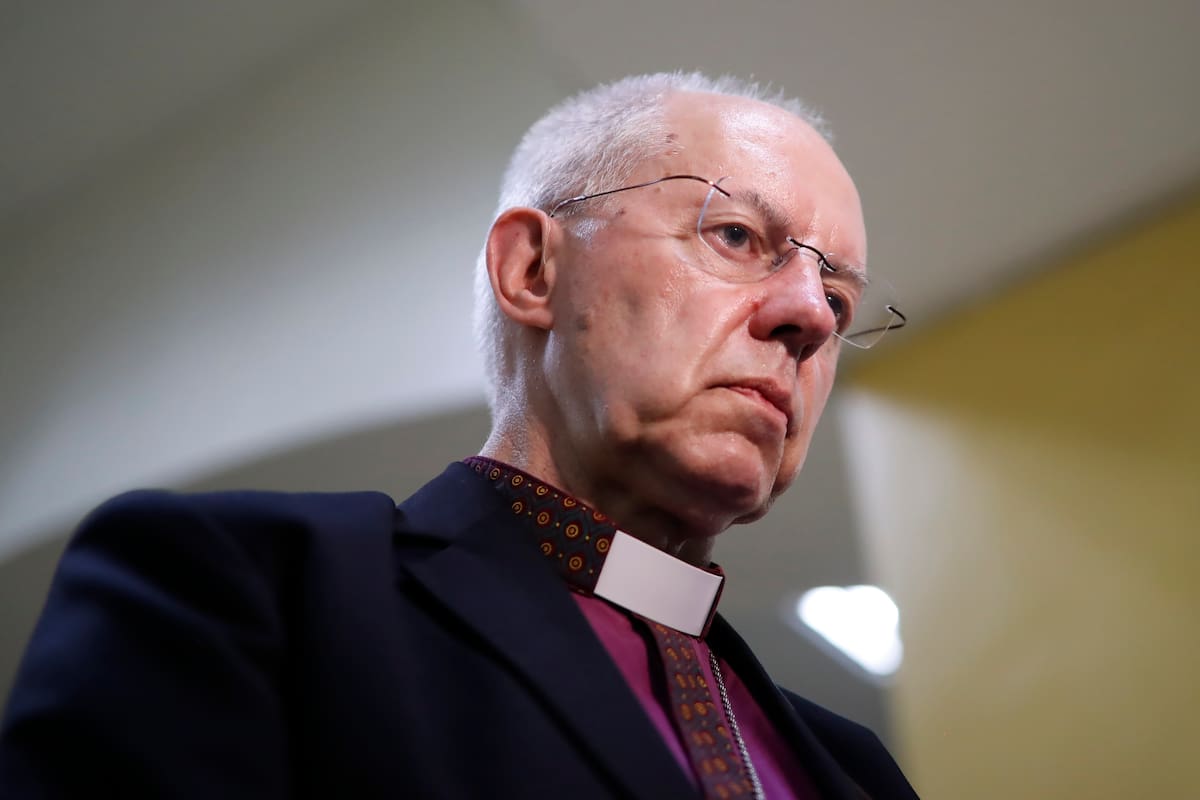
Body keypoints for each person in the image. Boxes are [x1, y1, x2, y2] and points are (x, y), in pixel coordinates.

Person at [0, 72, 915, 799]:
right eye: (737, 235)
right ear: (532, 268)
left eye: (839, 301)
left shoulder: (859, 772)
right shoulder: (248, 590)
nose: (810, 317)